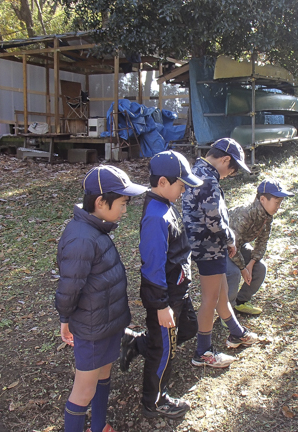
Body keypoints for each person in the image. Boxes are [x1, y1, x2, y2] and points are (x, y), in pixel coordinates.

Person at [55, 165, 146, 432]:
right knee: (84, 390)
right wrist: (65, 319)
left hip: (108, 323)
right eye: (122, 203)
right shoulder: (81, 238)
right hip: (93, 329)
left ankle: (98, 426)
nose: (125, 210)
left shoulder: (96, 230)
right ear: (100, 202)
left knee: (104, 374)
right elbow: (69, 287)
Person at [119, 151, 202, 419]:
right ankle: (154, 400)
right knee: (163, 350)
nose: (183, 190)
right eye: (181, 185)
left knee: (188, 327)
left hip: (179, 291)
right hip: (165, 298)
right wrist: (161, 305)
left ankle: (138, 344)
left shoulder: (165, 204)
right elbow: (153, 268)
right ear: (163, 182)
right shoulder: (156, 217)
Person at [182, 137, 259, 368]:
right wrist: (229, 239)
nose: (230, 174)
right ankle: (203, 352)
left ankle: (237, 333)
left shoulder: (198, 170)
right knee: (211, 299)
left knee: (222, 293)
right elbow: (214, 220)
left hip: (203, 244)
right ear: (225, 159)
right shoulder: (208, 179)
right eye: (232, 169)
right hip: (209, 245)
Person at [225, 178, 294, 315]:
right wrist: (243, 268)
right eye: (277, 202)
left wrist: (251, 263)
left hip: (238, 246)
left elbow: (262, 241)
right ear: (263, 199)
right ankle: (226, 311)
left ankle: (240, 302)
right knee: (234, 272)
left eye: (280, 203)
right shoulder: (245, 214)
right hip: (222, 246)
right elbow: (233, 245)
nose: (279, 206)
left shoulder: (267, 216)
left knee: (260, 268)